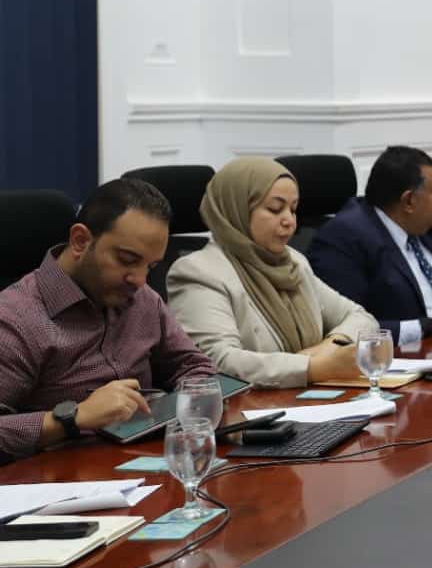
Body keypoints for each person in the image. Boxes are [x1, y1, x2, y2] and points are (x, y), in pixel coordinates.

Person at [0, 180, 216, 462]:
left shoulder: (142, 299)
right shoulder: (16, 319)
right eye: (127, 260)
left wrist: (189, 406)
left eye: (151, 266)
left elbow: (194, 366)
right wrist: (71, 419)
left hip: (146, 460)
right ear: (80, 241)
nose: (140, 280)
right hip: (63, 476)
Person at [167, 158, 376, 388]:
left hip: (308, 398)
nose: (289, 221)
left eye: (293, 209)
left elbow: (360, 317)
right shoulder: (199, 272)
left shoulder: (292, 261)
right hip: (250, 406)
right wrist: (312, 368)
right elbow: (217, 361)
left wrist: (330, 346)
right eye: (275, 209)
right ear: (238, 210)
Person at [307, 146, 432, 346]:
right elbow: (346, 329)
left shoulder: (429, 227)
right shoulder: (343, 240)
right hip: (402, 359)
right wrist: (428, 327)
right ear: (409, 201)